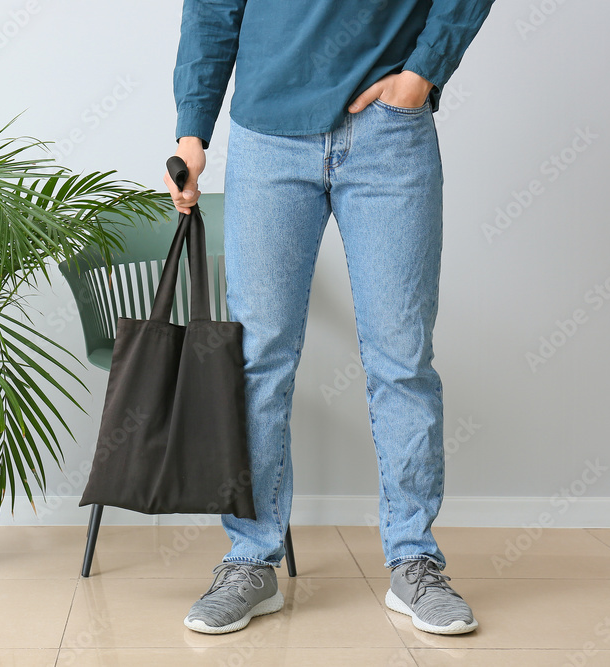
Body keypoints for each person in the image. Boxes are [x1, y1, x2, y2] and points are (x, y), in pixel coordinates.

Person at [163, 0, 495, 636]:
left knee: (402, 360)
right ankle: (251, 559)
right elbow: (211, 8)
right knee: (258, 359)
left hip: (389, 134)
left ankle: (415, 560)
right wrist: (191, 130)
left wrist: (422, 73)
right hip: (267, 138)